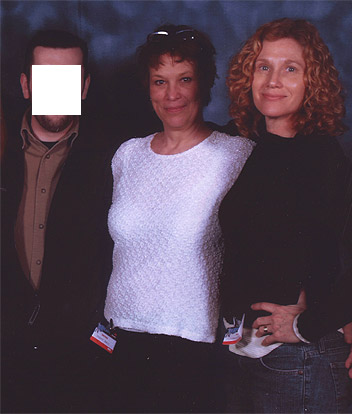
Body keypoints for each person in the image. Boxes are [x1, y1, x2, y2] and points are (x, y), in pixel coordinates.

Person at [219, 18, 352, 413]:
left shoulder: (319, 157)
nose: (273, 81)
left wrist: (314, 322)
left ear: (311, 82)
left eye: (290, 69)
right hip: (247, 359)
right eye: (263, 66)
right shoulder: (250, 143)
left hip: (299, 363)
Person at [103, 24, 255, 413]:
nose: (172, 94)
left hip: (192, 346)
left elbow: (283, 236)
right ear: (148, 88)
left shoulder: (235, 156)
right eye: (160, 81)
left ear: (203, 84)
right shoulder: (127, 155)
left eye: (184, 79)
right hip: (119, 338)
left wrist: (335, 316)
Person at [1, 29, 116, 412]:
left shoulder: (113, 155)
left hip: (78, 359)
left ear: (84, 87)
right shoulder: (2, 148)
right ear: (25, 85)